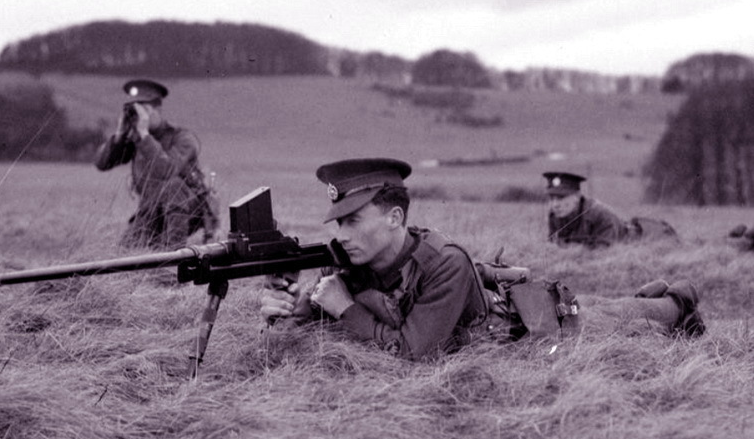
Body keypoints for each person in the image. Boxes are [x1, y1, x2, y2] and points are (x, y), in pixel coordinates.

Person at [260, 158, 705, 361]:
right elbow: (333, 310)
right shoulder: (345, 259)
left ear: (395, 217)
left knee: (618, 318)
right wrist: (299, 308)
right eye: (338, 222)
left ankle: (677, 300)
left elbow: (413, 351)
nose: (342, 234)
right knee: (612, 308)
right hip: (506, 315)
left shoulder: (443, 262)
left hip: (526, 329)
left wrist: (344, 308)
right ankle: (655, 298)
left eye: (354, 220)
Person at [94, 79, 218, 250]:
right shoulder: (135, 139)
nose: (138, 118)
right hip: (151, 210)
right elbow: (101, 163)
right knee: (124, 255)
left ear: (158, 109)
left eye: (142, 111)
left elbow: (168, 171)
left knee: (173, 187)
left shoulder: (182, 138)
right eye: (134, 112)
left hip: (187, 210)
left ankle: (175, 259)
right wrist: (120, 134)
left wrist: (145, 136)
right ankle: (160, 252)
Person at [545, 171, 677, 248]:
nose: (555, 204)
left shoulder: (601, 215)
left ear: (577, 197)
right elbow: (555, 247)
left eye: (561, 198)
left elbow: (603, 254)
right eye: (552, 198)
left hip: (645, 238)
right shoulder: (555, 216)